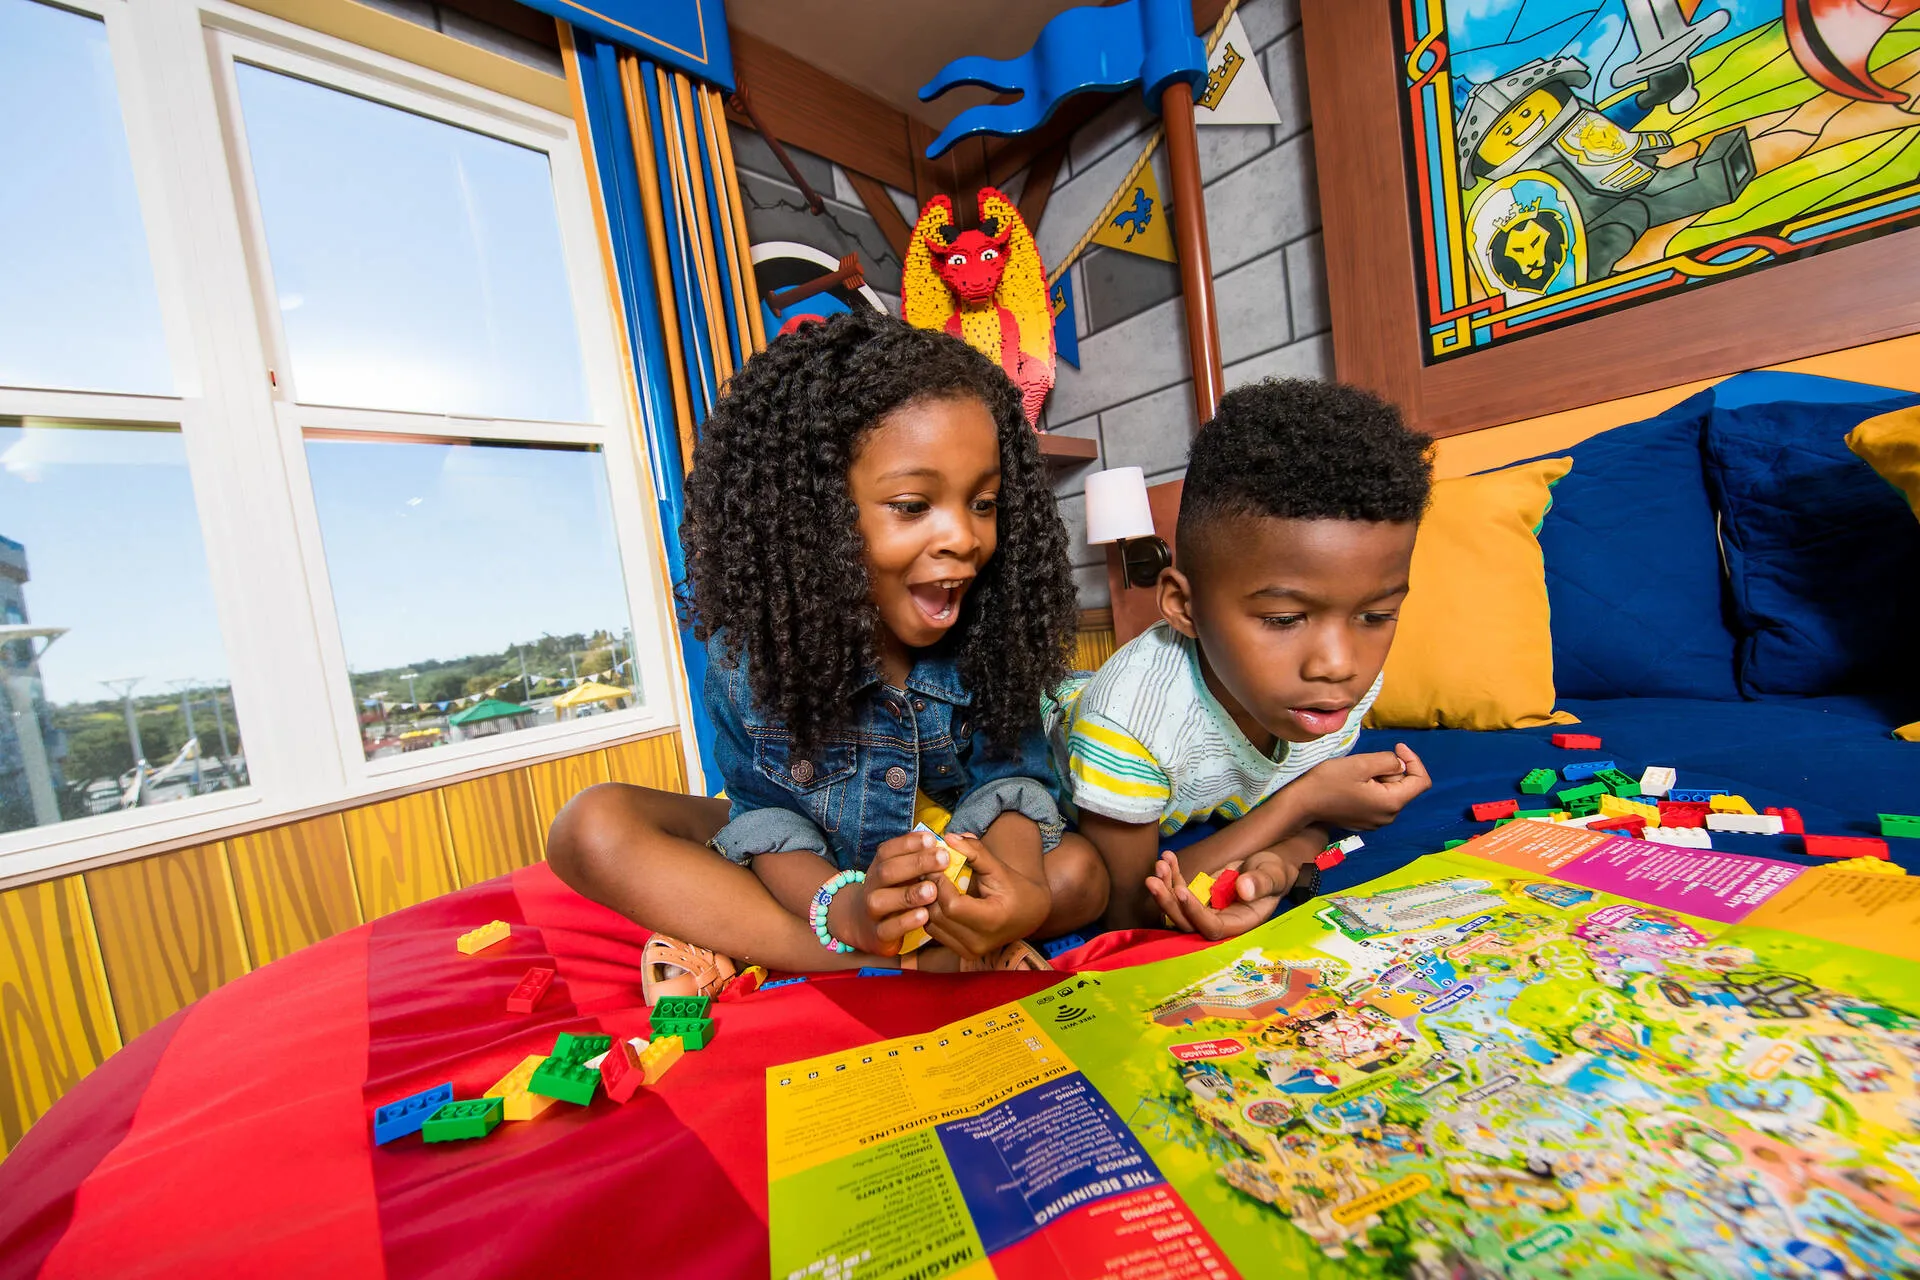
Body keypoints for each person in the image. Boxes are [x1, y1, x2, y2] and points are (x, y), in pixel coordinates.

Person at [547, 311, 1107, 998]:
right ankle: (896, 960)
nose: (963, 536)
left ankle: (750, 941)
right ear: (816, 519)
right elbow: (766, 817)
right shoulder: (751, 657)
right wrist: (846, 910)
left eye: (984, 502)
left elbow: (1012, 780)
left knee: (1082, 877)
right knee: (589, 828)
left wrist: (1018, 888)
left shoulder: (990, 629)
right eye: (912, 505)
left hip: (952, 855)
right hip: (810, 865)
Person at [1060, 378, 1435, 940]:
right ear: (1184, 606)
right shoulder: (1127, 724)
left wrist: (1288, 859)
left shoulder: (1342, 687)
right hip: (1062, 721)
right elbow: (1129, 911)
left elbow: (1312, 820)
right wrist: (1307, 800)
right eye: (1284, 620)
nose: (1338, 665)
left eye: (1375, 616)